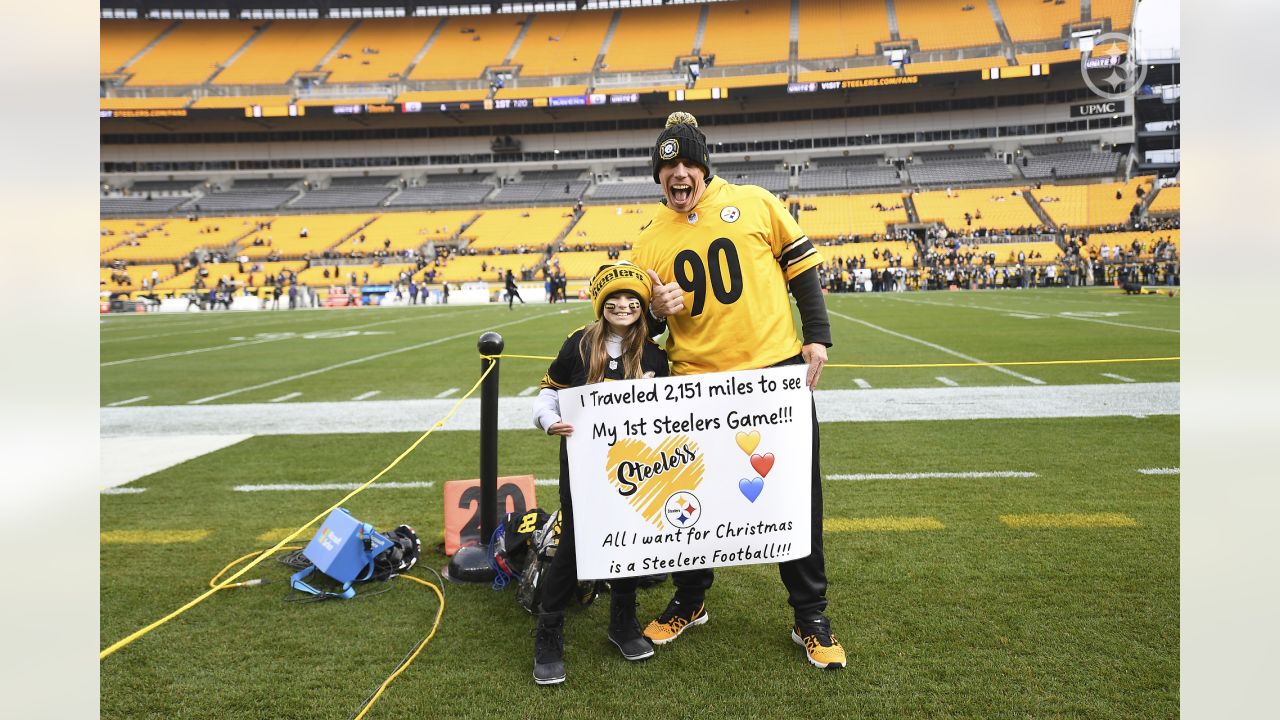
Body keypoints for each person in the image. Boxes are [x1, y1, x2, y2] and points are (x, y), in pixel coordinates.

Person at [632, 111, 844, 670]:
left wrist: (817, 336)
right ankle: (691, 598)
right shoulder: (649, 239)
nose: (678, 175)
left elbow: (802, 269)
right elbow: (635, 326)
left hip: (772, 375)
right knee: (689, 501)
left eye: (685, 163)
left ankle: (810, 613)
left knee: (796, 497)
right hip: (694, 385)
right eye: (666, 166)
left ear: (703, 165)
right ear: (657, 177)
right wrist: (654, 312)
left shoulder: (754, 201)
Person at [530, 262, 669, 685]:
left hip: (634, 468)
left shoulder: (655, 355)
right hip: (583, 465)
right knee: (574, 545)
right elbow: (547, 394)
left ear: (641, 305)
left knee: (627, 541)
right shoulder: (578, 343)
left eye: (631, 299)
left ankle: (622, 624)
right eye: (613, 300)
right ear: (600, 304)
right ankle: (547, 634)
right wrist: (547, 421)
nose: (623, 305)